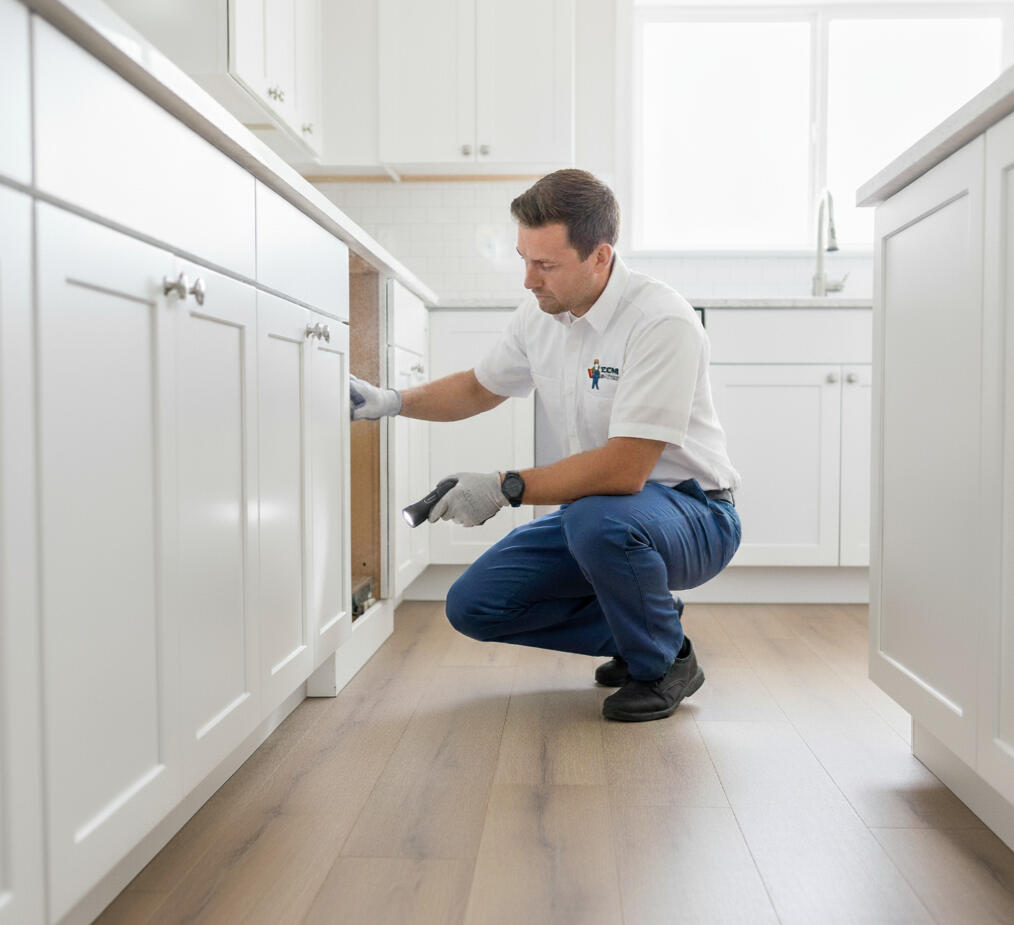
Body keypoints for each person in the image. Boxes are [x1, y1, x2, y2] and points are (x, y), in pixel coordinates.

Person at [349, 169, 741, 722]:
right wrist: (389, 400)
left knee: (598, 521)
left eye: (546, 265)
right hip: (604, 515)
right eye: (523, 259)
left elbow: (626, 470)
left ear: (600, 256)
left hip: (693, 512)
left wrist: (506, 487)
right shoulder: (542, 314)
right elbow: (478, 387)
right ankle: (648, 628)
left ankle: (663, 661)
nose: (529, 281)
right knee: (475, 606)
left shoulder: (660, 321)